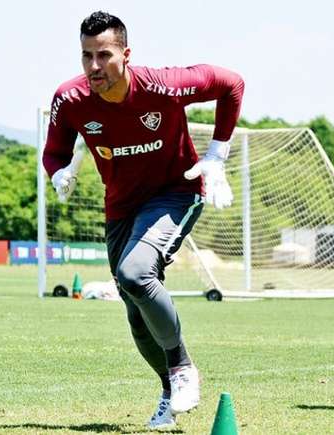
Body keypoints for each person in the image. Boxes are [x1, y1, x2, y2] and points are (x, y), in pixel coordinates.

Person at [42, 11, 244, 431]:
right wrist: (59, 173)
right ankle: (170, 391)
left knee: (135, 274)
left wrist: (216, 155)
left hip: (177, 192)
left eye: (104, 55)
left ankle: (183, 366)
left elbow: (232, 84)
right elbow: (54, 152)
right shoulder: (70, 98)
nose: (94, 67)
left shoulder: (164, 85)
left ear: (126, 54)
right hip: (120, 207)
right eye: (86, 56)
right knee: (136, 313)